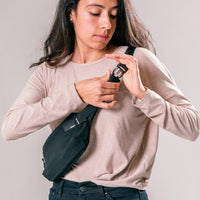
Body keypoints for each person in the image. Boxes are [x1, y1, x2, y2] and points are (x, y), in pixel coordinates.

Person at [1, 0, 200, 199]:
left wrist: (143, 94)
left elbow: (192, 127)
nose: (107, 24)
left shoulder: (135, 60)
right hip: (63, 192)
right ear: (71, 13)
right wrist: (76, 94)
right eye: (95, 13)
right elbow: (10, 128)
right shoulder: (50, 71)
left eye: (113, 15)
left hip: (120, 194)